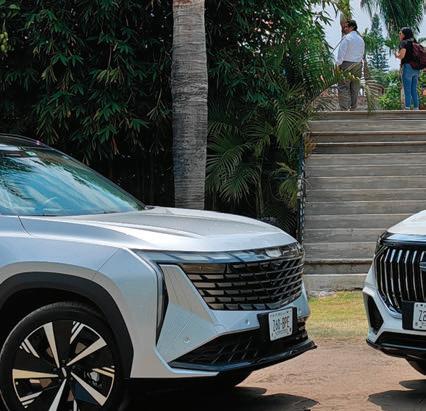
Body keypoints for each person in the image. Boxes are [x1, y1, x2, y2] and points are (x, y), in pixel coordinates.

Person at [336, 20, 365, 111]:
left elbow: (341, 52)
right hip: (358, 65)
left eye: (346, 27)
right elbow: (362, 53)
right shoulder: (361, 39)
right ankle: (353, 108)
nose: (345, 29)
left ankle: (344, 109)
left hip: (346, 64)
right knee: (355, 87)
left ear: (352, 27)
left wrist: (338, 64)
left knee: (343, 86)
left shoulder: (347, 38)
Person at [396, 27, 420, 110]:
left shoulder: (404, 43)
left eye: (400, 33)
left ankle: (407, 108)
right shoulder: (416, 43)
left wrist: (396, 55)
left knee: (407, 89)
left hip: (408, 68)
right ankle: (416, 108)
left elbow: (401, 56)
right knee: (414, 89)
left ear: (404, 34)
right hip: (416, 69)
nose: (399, 35)